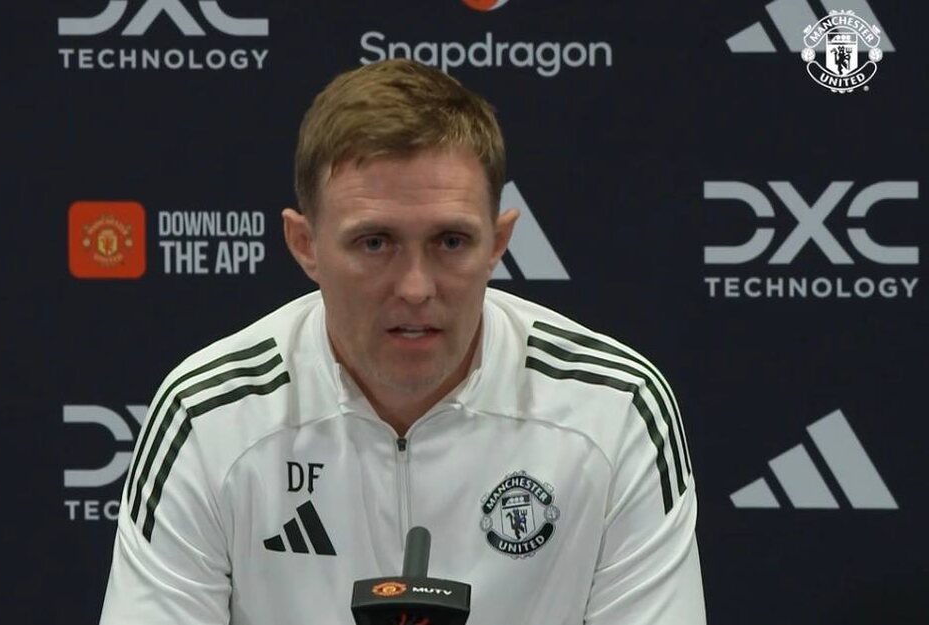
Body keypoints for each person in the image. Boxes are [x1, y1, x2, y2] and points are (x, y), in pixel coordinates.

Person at [99, 58, 705, 624]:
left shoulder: (614, 410)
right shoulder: (208, 417)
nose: (415, 288)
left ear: (497, 244)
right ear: (305, 245)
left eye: (450, 242)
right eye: (375, 243)